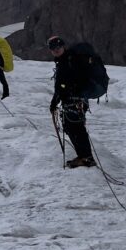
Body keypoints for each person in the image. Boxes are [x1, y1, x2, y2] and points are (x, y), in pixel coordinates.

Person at [47, 36, 95, 168]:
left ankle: (87, 158)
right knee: (70, 127)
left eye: (58, 47)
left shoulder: (71, 60)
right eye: (52, 48)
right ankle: (83, 156)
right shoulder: (63, 61)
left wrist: (72, 90)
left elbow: (79, 79)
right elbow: (60, 86)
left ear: (63, 46)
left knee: (76, 128)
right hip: (71, 100)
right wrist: (54, 103)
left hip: (76, 100)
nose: (55, 50)